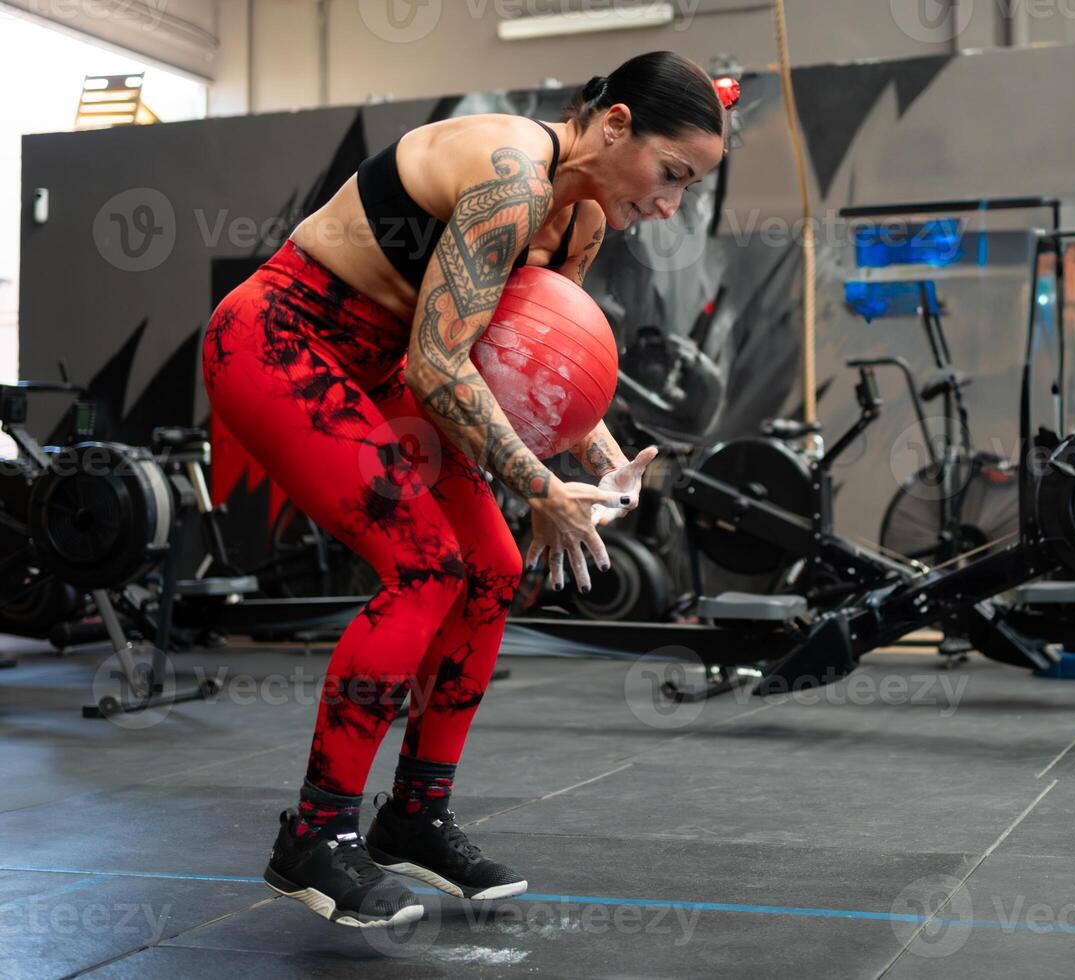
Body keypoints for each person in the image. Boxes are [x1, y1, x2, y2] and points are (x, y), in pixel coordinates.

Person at [202, 51, 727, 928]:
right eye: (671, 176)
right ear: (617, 124)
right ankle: (317, 833)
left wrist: (600, 457)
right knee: (425, 568)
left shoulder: (583, 223)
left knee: (489, 566)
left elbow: (533, 360)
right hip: (279, 340)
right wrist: (538, 486)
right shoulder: (509, 174)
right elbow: (440, 363)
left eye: (690, 189)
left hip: (382, 368)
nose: (671, 205)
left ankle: (413, 815)